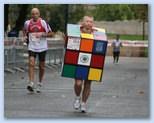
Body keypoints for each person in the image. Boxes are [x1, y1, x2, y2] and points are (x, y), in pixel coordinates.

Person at [23, 8, 54, 93]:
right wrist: (25, 37)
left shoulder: (43, 23)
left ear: (39, 14)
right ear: (31, 15)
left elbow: (51, 34)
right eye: (33, 14)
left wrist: (42, 34)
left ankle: (40, 83)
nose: (34, 15)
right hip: (32, 46)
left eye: (36, 13)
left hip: (42, 47)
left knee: (42, 66)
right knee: (31, 63)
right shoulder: (27, 23)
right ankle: (31, 83)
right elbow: (25, 31)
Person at [73, 16, 95, 113]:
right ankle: (77, 97)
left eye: (91, 22)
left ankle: (83, 103)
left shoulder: (96, 34)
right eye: (87, 21)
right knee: (78, 83)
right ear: (82, 23)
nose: (89, 23)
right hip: (78, 60)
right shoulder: (76, 32)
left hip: (91, 61)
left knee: (88, 83)